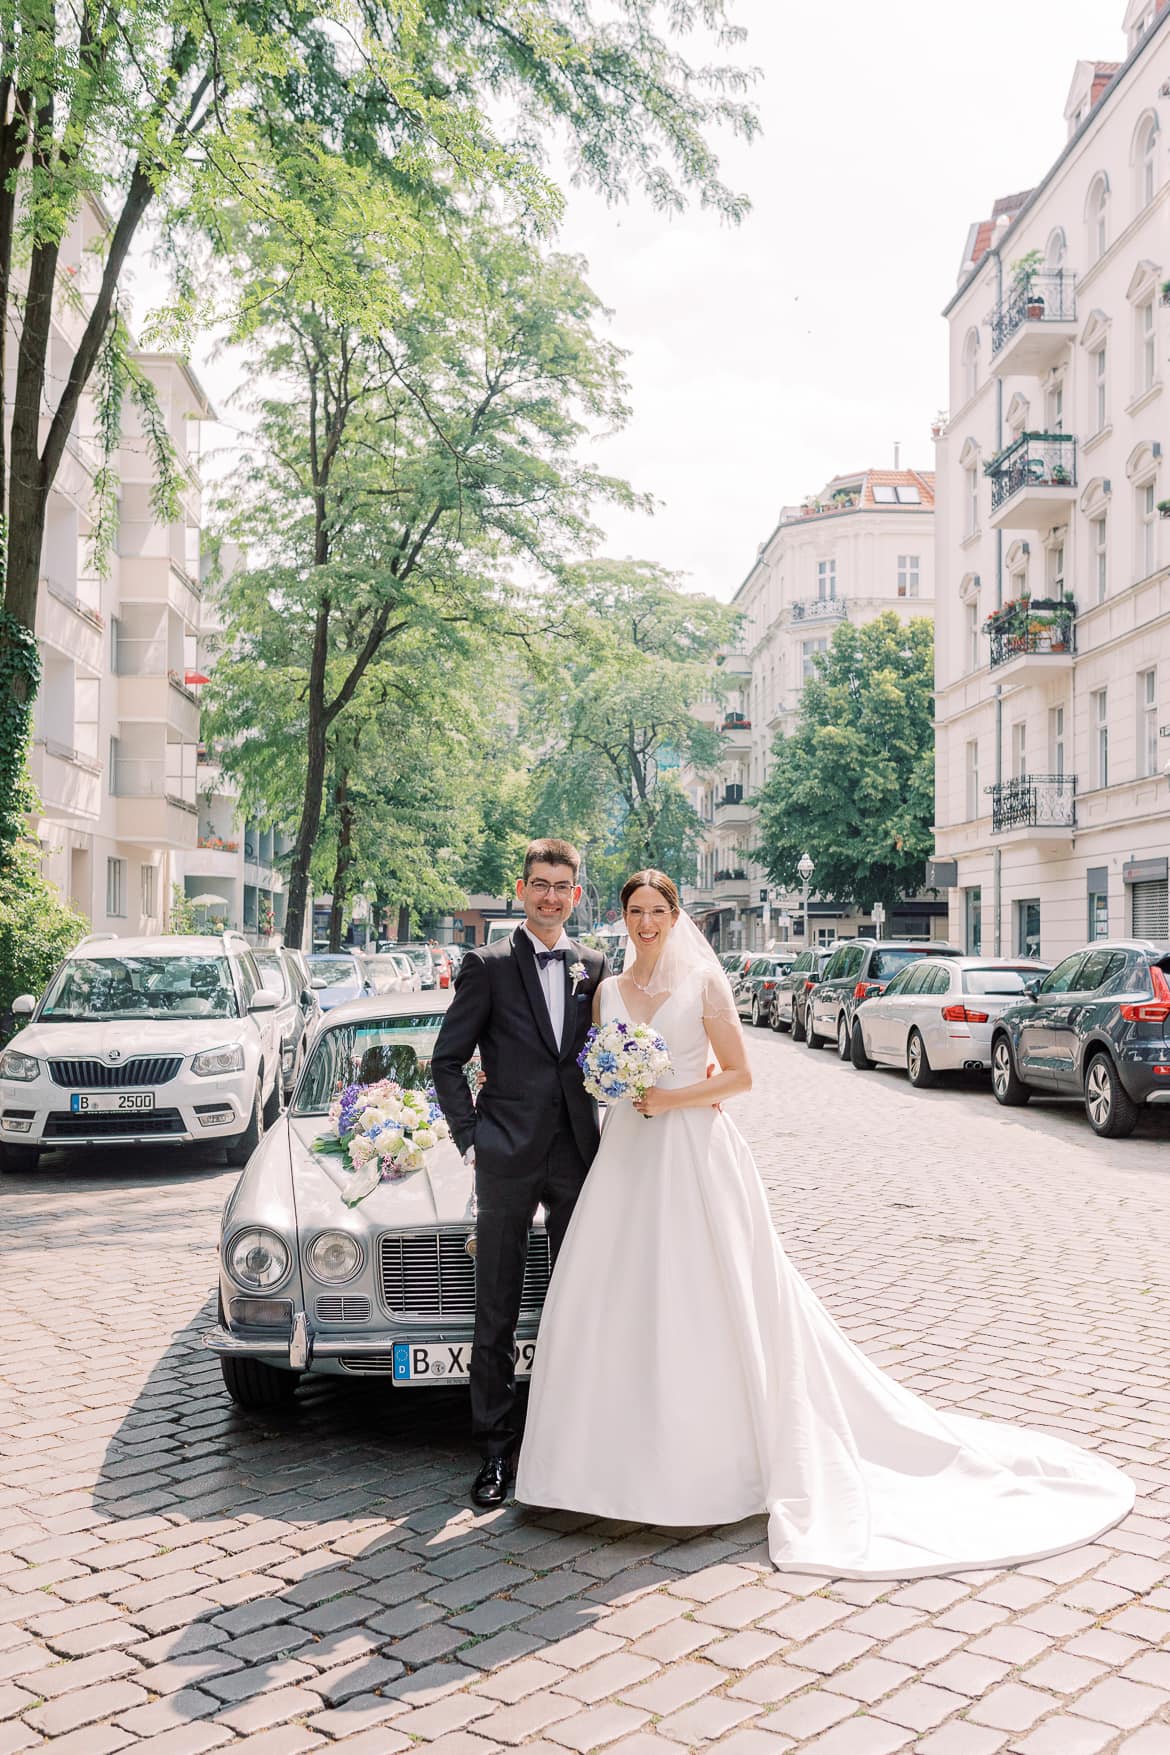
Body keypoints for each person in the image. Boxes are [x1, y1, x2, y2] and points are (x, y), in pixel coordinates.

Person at [515, 869, 1134, 1579]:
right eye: (635, 911)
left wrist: (675, 1096)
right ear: (622, 917)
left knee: (711, 1297)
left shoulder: (704, 985)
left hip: (694, 1152)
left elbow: (741, 1076)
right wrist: (623, 1087)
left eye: (657, 910)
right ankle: (602, 1469)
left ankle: (713, 1468)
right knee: (615, 1300)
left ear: (675, 914)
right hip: (628, 1157)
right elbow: (603, 1072)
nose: (646, 922)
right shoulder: (609, 992)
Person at [431, 838, 608, 1508]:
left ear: (577, 893)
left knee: (573, 1305)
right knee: (496, 1311)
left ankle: (565, 1449)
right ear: (521, 887)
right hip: (504, 1159)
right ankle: (496, 1453)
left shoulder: (595, 965)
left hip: (577, 1159)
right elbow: (447, 1061)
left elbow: (601, 1055)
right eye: (540, 884)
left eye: (563, 886)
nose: (551, 895)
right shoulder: (488, 964)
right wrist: (474, 1141)